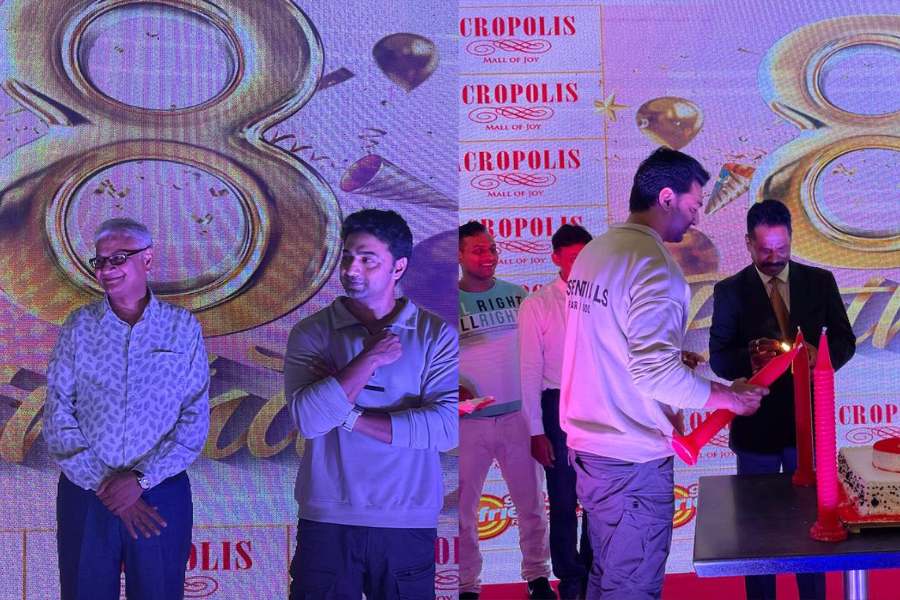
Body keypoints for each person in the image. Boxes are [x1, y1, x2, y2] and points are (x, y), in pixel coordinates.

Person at [560, 147, 768, 600]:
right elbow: (654, 375)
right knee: (630, 587)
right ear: (667, 197)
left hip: (594, 452)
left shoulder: (598, 250)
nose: (696, 218)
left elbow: (611, 347)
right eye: (694, 205)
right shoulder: (654, 266)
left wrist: (681, 365)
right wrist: (729, 397)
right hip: (630, 459)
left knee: (606, 577)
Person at [284, 209, 457, 600]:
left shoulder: (435, 335)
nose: (351, 269)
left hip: (406, 517)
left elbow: (446, 428)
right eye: (347, 257)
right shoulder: (312, 332)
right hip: (327, 516)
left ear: (399, 267)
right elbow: (309, 420)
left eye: (367, 259)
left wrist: (345, 412)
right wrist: (370, 358)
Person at [44, 218, 210, 600]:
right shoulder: (79, 327)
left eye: (118, 258)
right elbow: (57, 414)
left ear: (147, 259)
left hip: (159, 493)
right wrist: (107, 486)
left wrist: (140, 482)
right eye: (100, 261)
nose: (106, 270)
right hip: (87, 494)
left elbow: (194, 417)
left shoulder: (181, 328)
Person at [709, 199, 855, 600]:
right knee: (756, 535)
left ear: (792, 239)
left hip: (809, 429)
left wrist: (819, 356)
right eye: (765, 250)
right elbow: (719, 358)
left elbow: (845, 341)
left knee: (813, 529)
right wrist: (751, 358)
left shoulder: (820, 281)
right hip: (755, 431)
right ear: (748, 243)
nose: (774, 258)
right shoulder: (729, 291)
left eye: (782, 248)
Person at [458, 220, 555, 600]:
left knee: (531, 505)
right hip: (468, 423)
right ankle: (467, 585)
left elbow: (541, 353)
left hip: (520, 417)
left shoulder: (518, 297)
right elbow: (431, 363)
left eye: (492, 249)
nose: (488, 256)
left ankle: (538, 576)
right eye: (478, 250)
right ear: (459, 255)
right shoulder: (443, 303)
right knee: (463, 511)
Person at [518, 224, 594, 600]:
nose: (582, 265)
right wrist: (536, 430)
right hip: (557, 405)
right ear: (556, 259)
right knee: (563, 499)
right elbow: (529, 370)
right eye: (574, 258)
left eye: (587, 257)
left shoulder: (606, 299)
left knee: (599, 494)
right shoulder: (538, 304)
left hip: (599, 404)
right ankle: (571, 579)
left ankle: (595, 571)